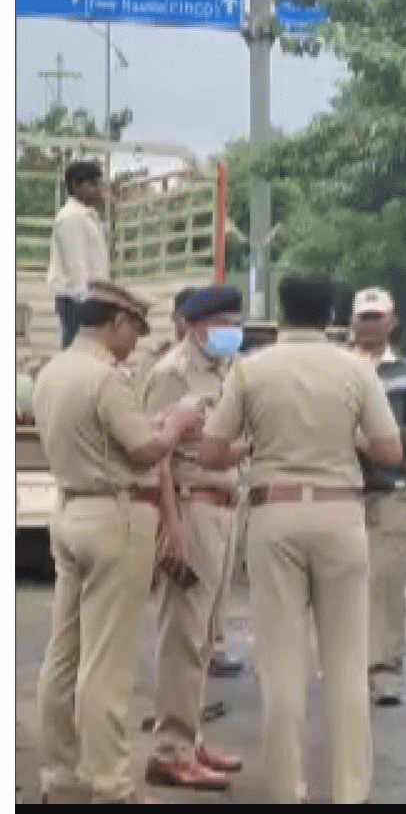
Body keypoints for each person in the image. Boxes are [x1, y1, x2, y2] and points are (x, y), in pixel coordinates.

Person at [198, 275, 403, 804]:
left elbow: (212, 453)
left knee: (282, 669)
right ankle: (349, 792)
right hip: (341, 515)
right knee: (347, 665)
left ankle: (287, 791)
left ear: (282, 311)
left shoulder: (250, 368)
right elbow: (389, 450)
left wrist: (254, 443)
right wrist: (346, 438)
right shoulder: (356, 369)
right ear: (332, 313)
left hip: (275, 512)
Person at [33, 281, 205, 804]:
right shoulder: (107, 380)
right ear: (117, 323)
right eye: (134, 328)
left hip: (69, 510)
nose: (134, 341)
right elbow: (143, 449)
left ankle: (62, 775)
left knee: (64, 655)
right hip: (115, 516)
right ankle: (111, 783)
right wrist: (176, 424)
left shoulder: (53, 373)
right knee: (109, 662)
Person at [140, 284, 251, 792]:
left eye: (235, 320)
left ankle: (191, 736)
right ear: (194, 324)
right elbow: (157, 453)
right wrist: (171, 526)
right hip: (191, 505)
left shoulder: (227, 371)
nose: (232, 330)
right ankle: (169, 749)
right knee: (181, 637)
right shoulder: (171, 375)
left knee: (204, 638)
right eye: (223, 321)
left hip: (224, 508)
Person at [349, 287, 406, 707]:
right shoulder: (336, 368)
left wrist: (382, 442)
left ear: (391, 323)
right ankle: (345, 668)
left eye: (376, 317)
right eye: (363, 318)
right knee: (338, 585)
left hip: (389, 491)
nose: (369, 325)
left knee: (384, 584)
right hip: (339, 492)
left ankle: (382, 670)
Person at [46, 161, 113, 349]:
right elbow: (75, 263)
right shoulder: (71, 217)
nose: (99, 189)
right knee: (76, 351)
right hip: (77, 299)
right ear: (76, 185)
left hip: (90, 297)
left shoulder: (87, 215)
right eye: (93, 184)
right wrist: (85, 301)